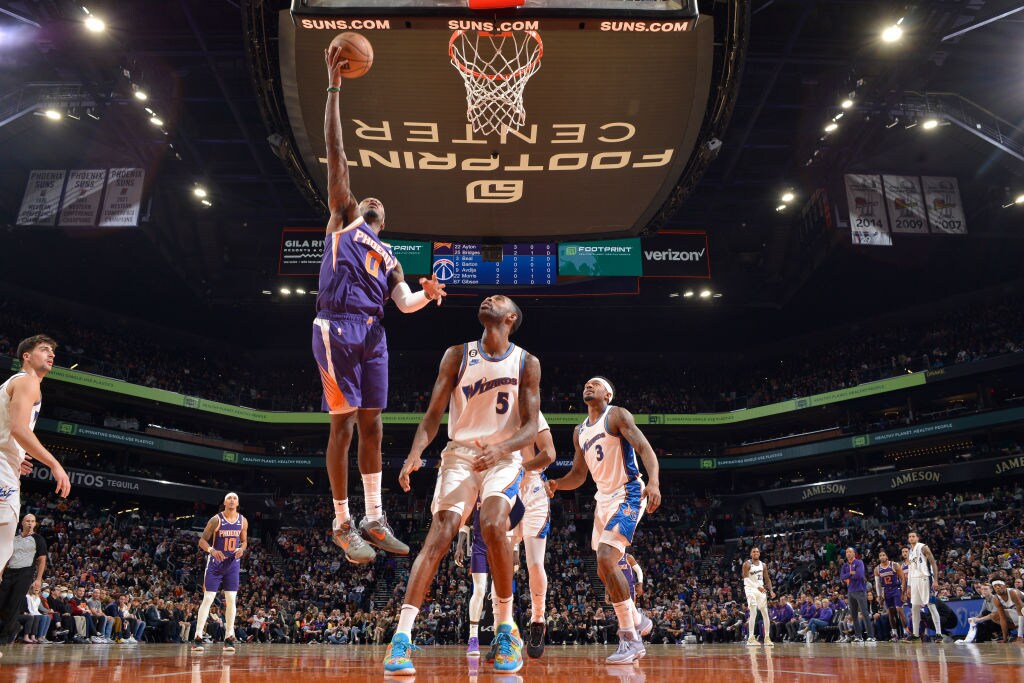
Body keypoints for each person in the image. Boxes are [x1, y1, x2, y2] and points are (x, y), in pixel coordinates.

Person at [317, 41, 447, 565]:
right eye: (368, 199)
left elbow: (406, 303)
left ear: (384, 221)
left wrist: (426, 294)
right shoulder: (344, 217)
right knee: (343, 426)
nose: (372, 201)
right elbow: (336, 154)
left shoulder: (390, 255)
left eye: (378, 205)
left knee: (373, 425)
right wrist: (334, 88)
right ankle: (341, 521)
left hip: (374, 333)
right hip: (336, 326)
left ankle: (373, 516)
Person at [385, 295, 540, 675]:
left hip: (503, 457)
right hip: (460, 453)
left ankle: (505, 628)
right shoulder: (457, 354)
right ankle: (401, 637)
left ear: (511, 317)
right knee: (440, 533)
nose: (490, 298)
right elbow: (432, 416)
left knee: (492, 522)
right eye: (489, 297)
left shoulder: (526, 362)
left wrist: (501, 447)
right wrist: (414, 453)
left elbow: (532, 427)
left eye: (499, 299)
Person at [547, 376, 662, 664]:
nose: (588, 385)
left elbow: (645, 449)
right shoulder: (579, 432)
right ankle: (637, 619)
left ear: (607, 394)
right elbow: (578, 475)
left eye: (595, 384)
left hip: (629, 491)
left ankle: (630, 638)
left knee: (607, 556)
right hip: (603, 500)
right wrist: (556, 484)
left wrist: (655, 482)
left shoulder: (616, 415)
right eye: (585, 383)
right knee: (602, 569)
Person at [0, 335, 71, 588]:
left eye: (52, 350)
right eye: (44, 349)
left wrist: (15, 455)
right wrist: (54, 463)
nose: (51, 354)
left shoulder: (12, 384)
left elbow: (8, 430)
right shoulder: (28, 381)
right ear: (26, 356)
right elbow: (19, 428)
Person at [455, 493, 525, 658]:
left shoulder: (504, 486)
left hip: (502, 544)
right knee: (478, 590)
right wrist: (459, 546)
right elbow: (465, 522)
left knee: (498, 595)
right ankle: (473, 638)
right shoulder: (477, 490)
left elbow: (518, 514)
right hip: (479, 547)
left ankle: (499, 637)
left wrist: (515, 549)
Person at [510, 413, 555, 658]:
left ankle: (538, 619)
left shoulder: (531, 411)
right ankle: (505, 629)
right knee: (503, 568)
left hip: (532, 488)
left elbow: (549, 454)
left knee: (535, 564)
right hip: (502, 488)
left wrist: (520, 468)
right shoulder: (488, 405)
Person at [192, 492, 247, 653]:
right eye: (229, 498)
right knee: (208, 598)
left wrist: (242, 549)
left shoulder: (242, 520)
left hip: (232, 564)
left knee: (231, 599)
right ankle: (197, 637)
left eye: (235, 498)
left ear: (237, 503)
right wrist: (211, 550)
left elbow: (244, 541)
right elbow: (202, 540)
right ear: (224, 502)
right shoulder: (216, 519)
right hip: (216, 563)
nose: (232, 500)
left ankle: (229, 637)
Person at [0, 513, 49, 644]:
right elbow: (6, 556)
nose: (30, 523)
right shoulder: (14, 538)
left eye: (32, 521)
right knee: (2, 602)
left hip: (25, 574)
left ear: (35, 524)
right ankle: (14, 627)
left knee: (14, 605)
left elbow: (42, 560)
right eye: (27, 521)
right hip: (9, 572)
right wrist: (1, 572)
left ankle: (4, 636)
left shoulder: (38, 539)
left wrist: (38, 579)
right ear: (22, 523)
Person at [902, 531, 942, 642]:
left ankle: (939, 634)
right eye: (909, 536)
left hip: (925, 579)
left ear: (918, 538)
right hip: (914, 581)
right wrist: (909, 586)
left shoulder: (923, 548)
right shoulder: (910, 552)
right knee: (914, 607)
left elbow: (933, 563)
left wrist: (935, 580)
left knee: (931, 605)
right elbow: (910, 569)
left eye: (913, 536)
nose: (911, 538)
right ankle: (915, 635)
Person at [840, 547, 875, 642]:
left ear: (854, 553)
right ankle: (858, 636)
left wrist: (848, 575)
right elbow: (842, 577)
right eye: (847, 552)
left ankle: (871, 636)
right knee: (854, 615)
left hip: (860, 591)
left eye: (850, 551)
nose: (848, 553)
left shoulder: (859, 562)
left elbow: (859, 575)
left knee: (865, 614)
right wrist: (850, 573)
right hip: (850, 592)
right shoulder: (845, 566)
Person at [742, 547, 774, 646]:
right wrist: (758, 587)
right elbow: (745, 579)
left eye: (757, 552)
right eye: (754, 552)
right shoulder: (747, 564)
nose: (755, 553)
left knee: (765, 613)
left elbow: (767, 579)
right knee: (754, 611)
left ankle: (767, 638)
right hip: (750, 589)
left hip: (761, 590)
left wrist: (771, 591)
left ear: (759, 554)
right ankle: (751, 638)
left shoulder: (763, 565)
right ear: (751, 554)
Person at [873, 550, 907, 641]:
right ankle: (895, 634)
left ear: (887, 556)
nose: (882, 557)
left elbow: (903, 579)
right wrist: (879, 596)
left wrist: (903, 592)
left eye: (884, 555)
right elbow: (878, 584)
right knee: (890, 613)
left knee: (899, 609)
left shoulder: (894, 565)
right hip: (887, 591)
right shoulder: (877, 569)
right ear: (879, 558)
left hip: (896, 589)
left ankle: (906, 633)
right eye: (880, 555)